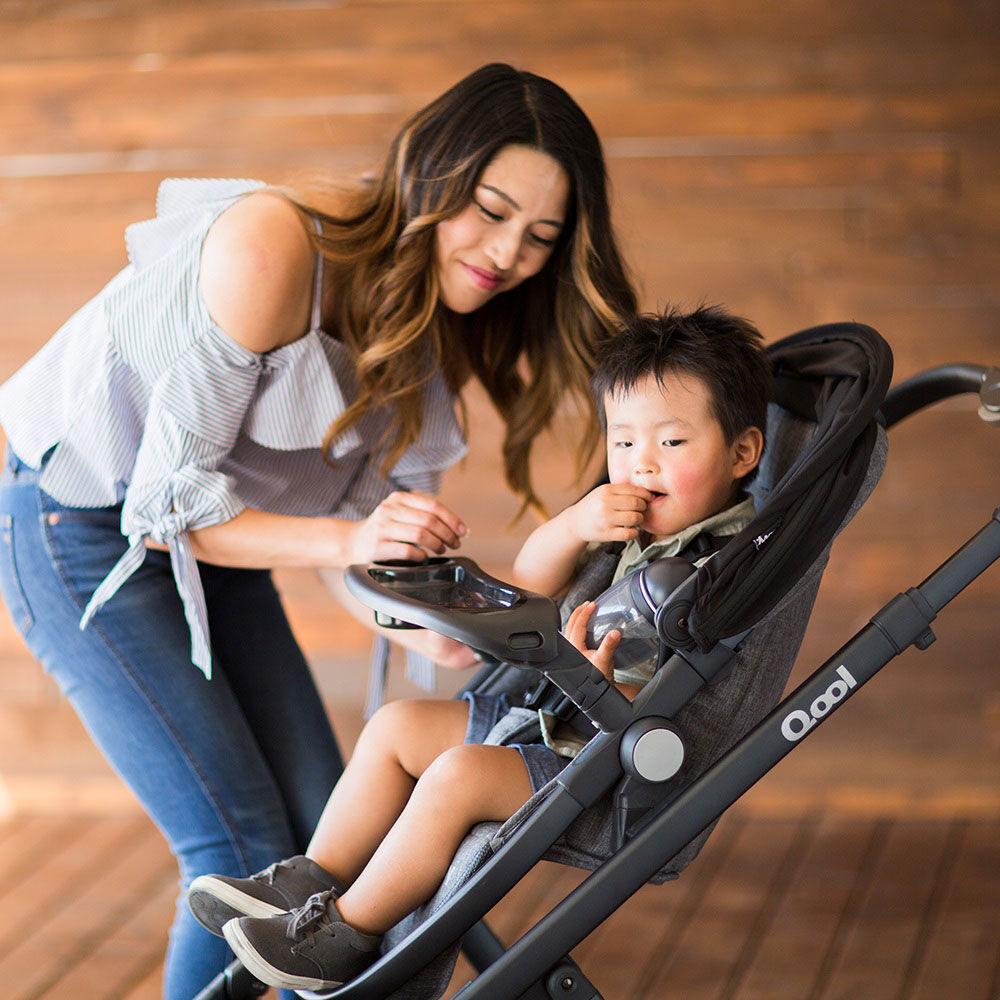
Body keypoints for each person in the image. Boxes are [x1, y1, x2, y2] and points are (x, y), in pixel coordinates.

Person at [0, 63, 637, 999]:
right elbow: (168, 505)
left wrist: (425, 624)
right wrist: (354, 546)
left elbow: (352, 541)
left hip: (217, 550)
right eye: (489, 211)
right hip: (77, 524)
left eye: (540, 238)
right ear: (431, 172)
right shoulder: (271, 246)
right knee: (237, 843)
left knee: (316, 835)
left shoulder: (432, 330)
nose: (506, 255)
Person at [184, 305, 772, 992]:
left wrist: (601, 686)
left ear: (741, 453)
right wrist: (576, 523)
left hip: (617, 760)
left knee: (458, 776)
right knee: (398, 726)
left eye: (671, 445)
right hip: (553, 721)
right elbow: (530, 583)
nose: (641, 465)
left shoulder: (716, 572)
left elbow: (679, 694)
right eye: (623, 443)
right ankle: (308, 883)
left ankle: (340, 935)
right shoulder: (629, 527)